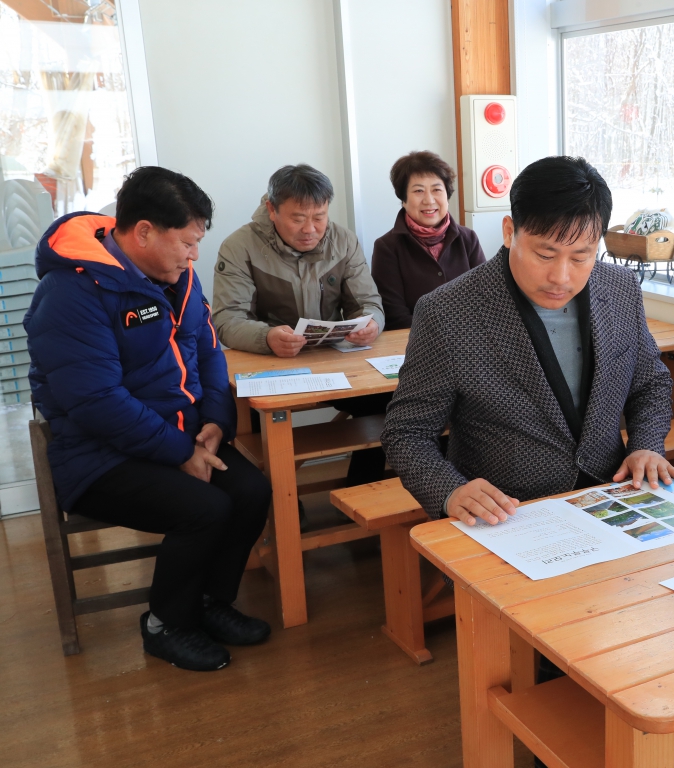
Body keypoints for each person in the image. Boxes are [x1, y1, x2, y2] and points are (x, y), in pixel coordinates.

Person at [25, 167, 273, 672]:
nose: (193, 255)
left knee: (251, 491)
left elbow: (207, 351)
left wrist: (215, 422)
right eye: (186, 242)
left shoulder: (175, 274)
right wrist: (182, 453)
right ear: (143, 232)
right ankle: (166, 623)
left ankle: (209, 602)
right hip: (97, 456)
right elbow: (96, 402)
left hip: (178, 435)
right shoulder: (70, 292)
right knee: (203, 508)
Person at [380, 155, 674, 527]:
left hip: (613, 497)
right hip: (507, 516)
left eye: (581, 256)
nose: (561, 277)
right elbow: (406, 432)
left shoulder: (619, 289)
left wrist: (646, 446)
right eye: (545, 254)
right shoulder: (448, 311)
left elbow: (650, 383)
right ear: (510, 232)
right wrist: (450, 491)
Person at [211, 164, 388, 488]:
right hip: (269, 363)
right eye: (297, 218)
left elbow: (369, 303)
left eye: (319, 216)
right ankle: (280, 506)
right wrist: (266, 337)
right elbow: (226, 319)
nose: (310, 228)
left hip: (332, 361)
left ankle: (361, 491)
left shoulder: (343, 241)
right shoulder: (240, 247)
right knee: (243, 419)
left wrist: (371, 324)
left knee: (389, 403)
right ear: (272, 210)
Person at [371, 150, 487, 329]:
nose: (429, 200)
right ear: (404, 199)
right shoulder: (387, 247)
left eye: (436, 190)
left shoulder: (468, 239)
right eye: (418, 191)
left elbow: (485, 299)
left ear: (447, 196)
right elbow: (394, 315)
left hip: (469, 340)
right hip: (414, 343)